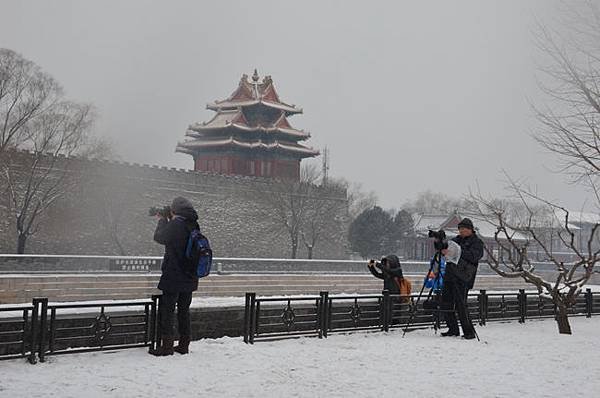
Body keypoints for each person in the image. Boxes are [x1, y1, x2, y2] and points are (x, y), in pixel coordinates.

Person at [151, 197, 200, 356]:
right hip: (190, 274)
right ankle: (184, 345)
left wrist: (162, 220)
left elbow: (160, 237)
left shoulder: (176, 224)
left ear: (175, 209)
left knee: (168, 310)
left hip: (174, 273)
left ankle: (167, 347)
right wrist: (169, 219)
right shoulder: (193, 224)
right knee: (184, 310)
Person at [440, 218, 484, 339]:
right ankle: (453, 329)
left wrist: (458, 252)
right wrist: (444, 250)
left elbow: (475, 256)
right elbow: (447, 251)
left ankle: (469, 332)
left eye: (465, 229)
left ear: (471, 229)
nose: (462, 231)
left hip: (464, 277)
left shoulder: (477, 242)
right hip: (450, 274)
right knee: (446, 303)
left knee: (461, 304)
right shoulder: (454, 240)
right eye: (460, 229)